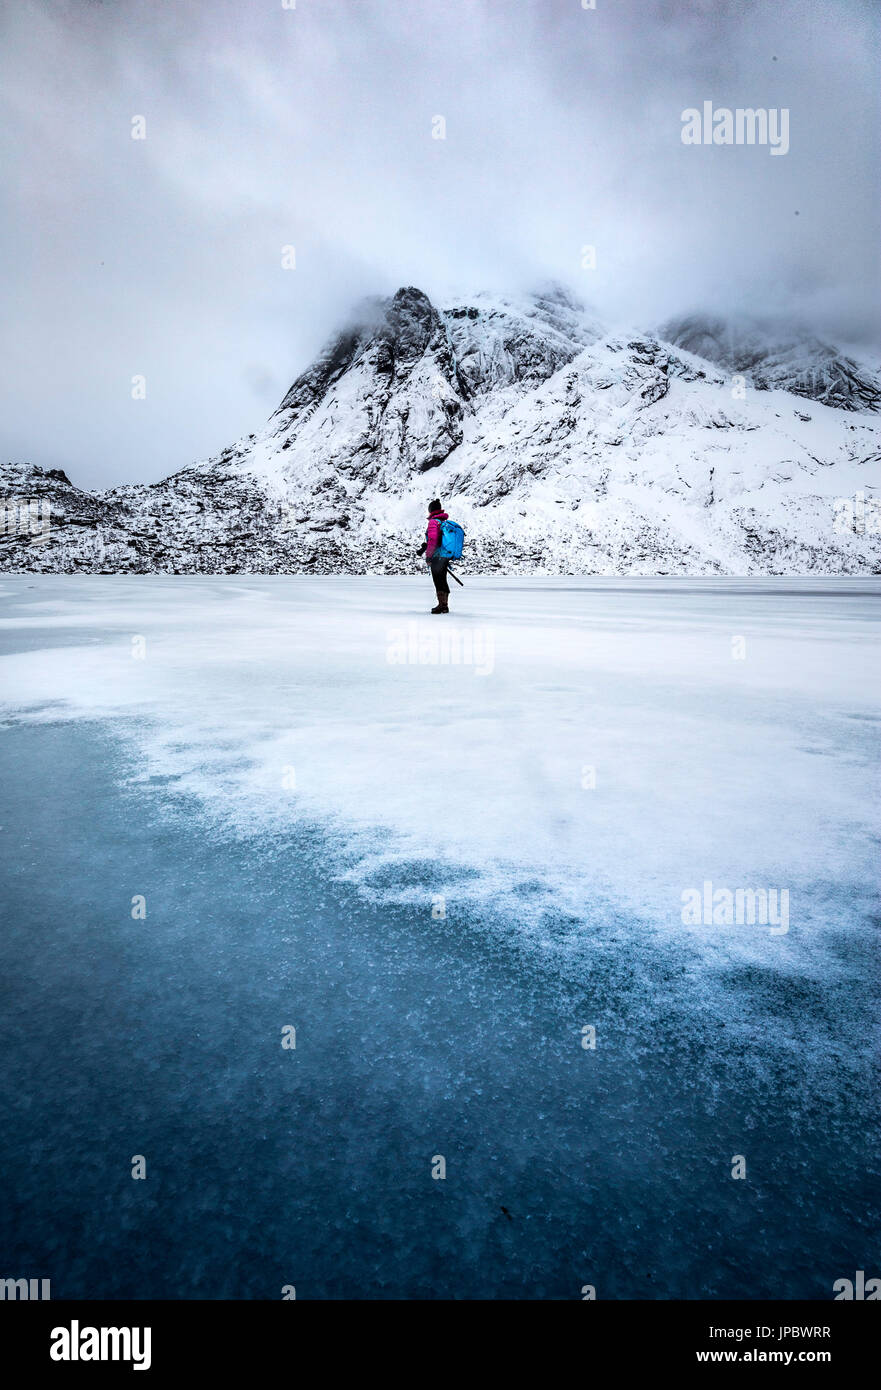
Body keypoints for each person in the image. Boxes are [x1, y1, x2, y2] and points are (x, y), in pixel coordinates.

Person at [417, 499, 450, 613]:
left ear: (431, 510)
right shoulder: (443, 521)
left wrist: (429, 556)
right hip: (445, 555)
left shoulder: (433, 522)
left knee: (438, 580)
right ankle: (444, 605)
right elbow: (438, 539)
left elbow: (433, 540)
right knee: (442, 579)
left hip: (437, 556)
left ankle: (442, 605)